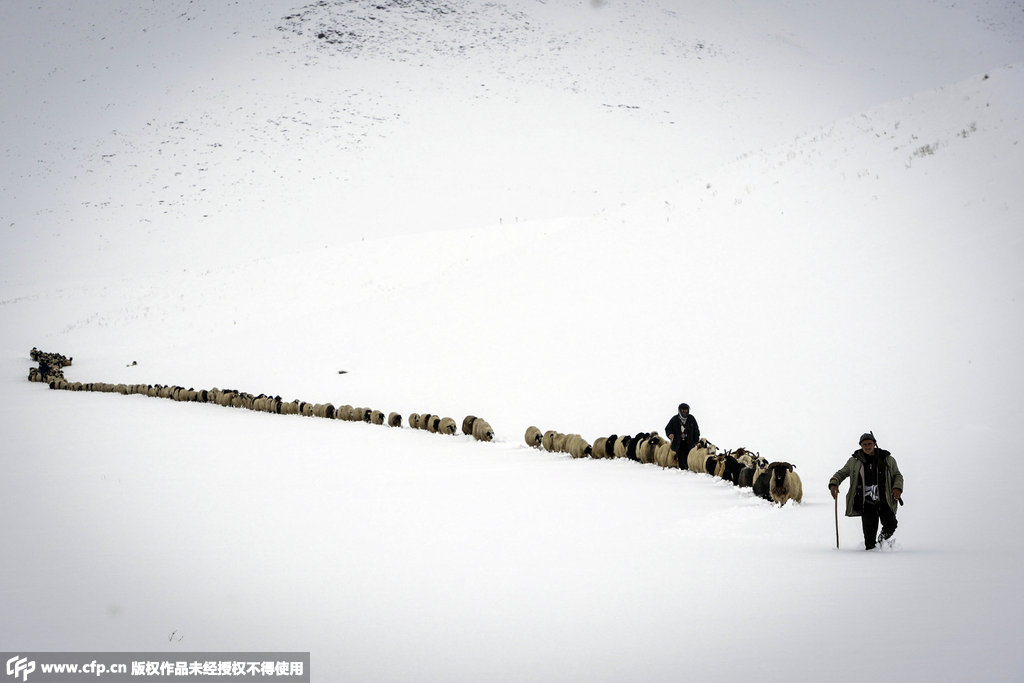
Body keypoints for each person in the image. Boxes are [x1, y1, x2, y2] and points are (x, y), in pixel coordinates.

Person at [829, 432, 904, 550]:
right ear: (861, 445)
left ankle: (882, 542)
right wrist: (834, 483)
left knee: (891, 524)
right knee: (869, 539)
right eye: (864, 444)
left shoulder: (887, 459)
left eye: (870, 444)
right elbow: (842, 473)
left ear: (874, 443)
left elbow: (897, 475)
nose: (867, 446)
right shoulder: (854, 461)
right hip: (866, 502)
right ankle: (870, 558)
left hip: (884, 500)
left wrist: (897, 488)